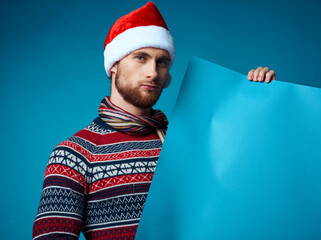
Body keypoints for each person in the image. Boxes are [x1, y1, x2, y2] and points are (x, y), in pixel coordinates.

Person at [32, 2, 276, 240]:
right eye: (141, 57)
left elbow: (248, 189)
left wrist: (260, 100)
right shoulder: (73, 154)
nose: (153, 72)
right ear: (114, 65)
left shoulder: (188, 142)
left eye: (162, 62)